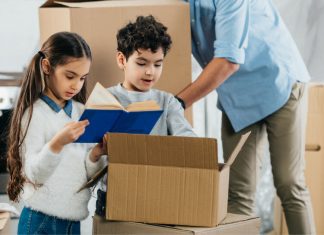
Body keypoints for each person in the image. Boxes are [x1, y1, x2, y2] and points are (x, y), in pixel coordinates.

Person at [175, 0, 316, 234]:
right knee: (238, 192)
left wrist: (177, 103)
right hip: (237, 96)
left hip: (279, 82)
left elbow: (228, 61)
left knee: (289, 183)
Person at [95, 15, 197, 217]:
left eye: (158, 64)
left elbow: (189, 143)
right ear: (122, 59)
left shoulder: (167, 102)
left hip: (156, 192)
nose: (150, 72)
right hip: (114, 195)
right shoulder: (105, 99)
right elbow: (88, 155)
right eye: (142, 63)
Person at [6, 32, 106, 234]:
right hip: (41, 219)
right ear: (46, 67)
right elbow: (33, 174)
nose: (76, 85)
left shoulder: (80, 112)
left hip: (72, 220)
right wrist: (56, 144)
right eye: (70, 76)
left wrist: (96, 154)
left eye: (82, 78)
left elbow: (85, 173)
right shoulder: (35, 114)